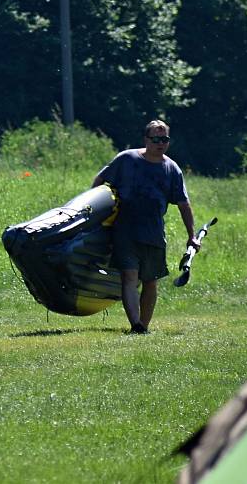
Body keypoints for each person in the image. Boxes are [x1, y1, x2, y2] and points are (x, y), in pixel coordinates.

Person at [92, 119, 199, 334]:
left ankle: (144, 326)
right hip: (125, 230)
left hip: (153, 233)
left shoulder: (172, 169)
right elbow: (99, 182)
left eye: (165, 139)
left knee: (150, 281)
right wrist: (94, 213)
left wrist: (191, 236)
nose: (161, 143)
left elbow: (183, 204)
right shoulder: (126, 159)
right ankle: (136, 325)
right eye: (156, 139)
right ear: (146, 139)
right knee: (129, 276)